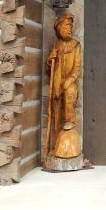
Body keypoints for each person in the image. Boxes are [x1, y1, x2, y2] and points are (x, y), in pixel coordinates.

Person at [46, 12, 81, 159]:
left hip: (69, 82)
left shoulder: (75, 45)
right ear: (59, 28)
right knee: (56, 113)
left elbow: (77, 67)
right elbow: (49, 69)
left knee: (70, 93)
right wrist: (50, 59)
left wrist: (70, 79)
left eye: (71, 26)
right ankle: (56, 144)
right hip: (57, 83)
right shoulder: (56, 46)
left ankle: (70, 121)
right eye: (67, 26)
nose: (70, 29)